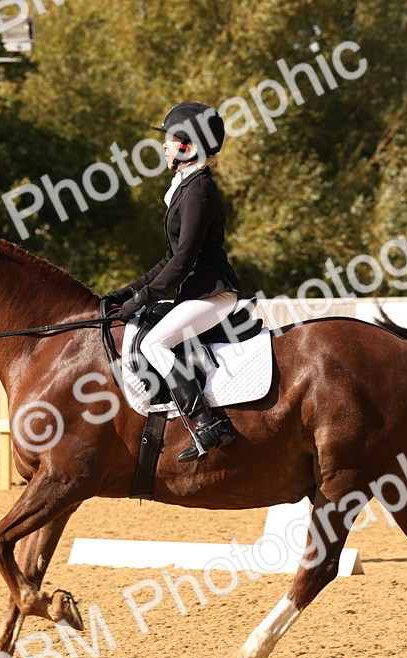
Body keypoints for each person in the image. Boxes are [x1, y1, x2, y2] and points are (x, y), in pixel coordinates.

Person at [104, 102, 241, 463]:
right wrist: (130, 291)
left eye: (170, 140)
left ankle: (208, 423)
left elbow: (183, 262)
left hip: (214, 292)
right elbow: (171, 257)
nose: (164, 146)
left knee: (154, 344)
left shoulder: (199, 192)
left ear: (189, 147)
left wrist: (143, 299)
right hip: (198, 290)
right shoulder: (186, 188)